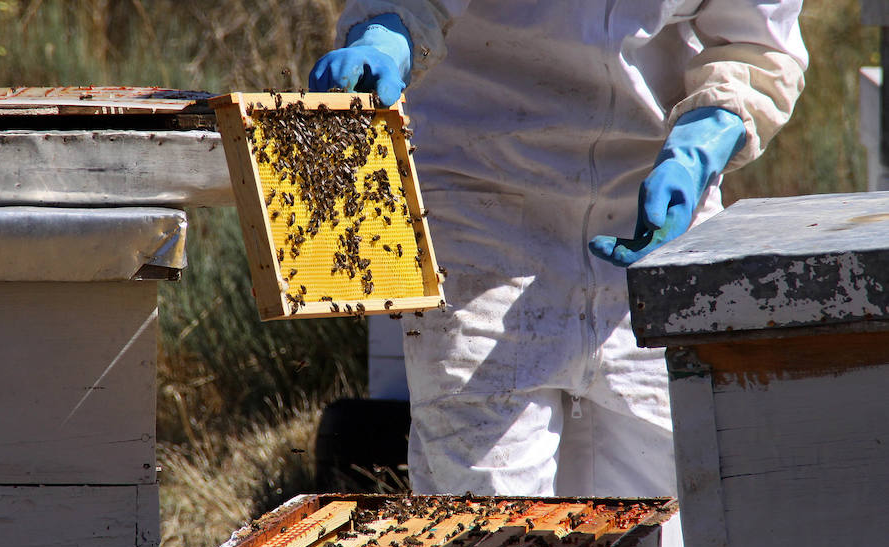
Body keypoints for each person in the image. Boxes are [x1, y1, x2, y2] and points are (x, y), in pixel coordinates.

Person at [310, 2, 807, 498]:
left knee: (671, 502)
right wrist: (385, 33)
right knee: (485, 512)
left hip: (650, 207)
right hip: (480, 200)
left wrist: (704, 142)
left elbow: (757, 44)